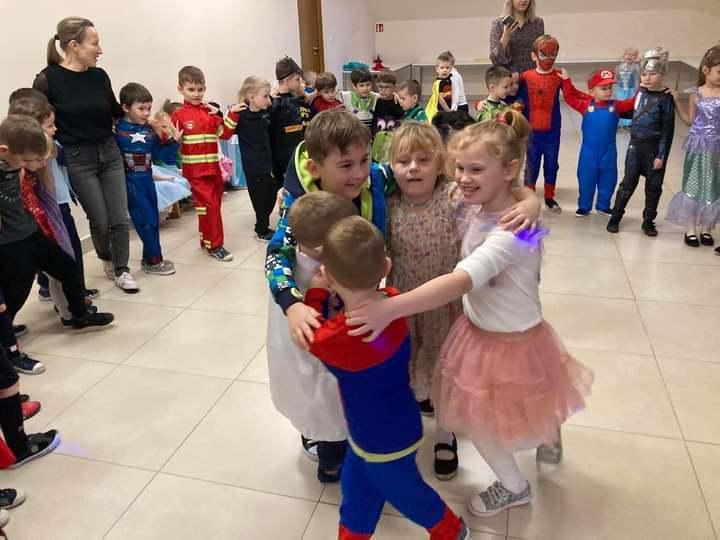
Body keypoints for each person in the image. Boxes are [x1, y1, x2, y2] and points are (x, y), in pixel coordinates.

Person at [347, 111, 593, 518]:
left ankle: (515, 487)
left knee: (485, 422)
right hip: (479, 329)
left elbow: (461, 280)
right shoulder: (475, 206)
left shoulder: (511, 231)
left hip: (512, 339)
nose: (462, 178)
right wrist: (529, 200)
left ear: (509, 169)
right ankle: (545, 431)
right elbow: (519, 209)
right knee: (514, 404)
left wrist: (387, 308)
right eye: (459, 167)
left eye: (475, 169)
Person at [385, 121, 540, 481]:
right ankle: (411, 422)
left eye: (423, 160)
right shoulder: (388, 203)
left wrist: (532, 203)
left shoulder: (454, 197)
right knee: (407, 365)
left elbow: (504, 190)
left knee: (447, 377)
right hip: (405, 305)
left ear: (440, 163)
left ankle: (445, 434)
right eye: (403, 161)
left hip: (447, 307)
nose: (413, 169)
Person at [302, 215, 470, 540]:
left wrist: (315, 295)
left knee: (406, 492)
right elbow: (364, 337)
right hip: (386, 427)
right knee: (357, 488)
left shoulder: (337, 338)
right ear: (386, 266)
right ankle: (353, 533)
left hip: (382, 440)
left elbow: (311, 337)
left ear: (329, 276)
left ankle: (452, 531)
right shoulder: (391, 302)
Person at [265, 110, 390, 479]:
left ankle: (347, 434)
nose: (359, 173)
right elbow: (276, 255)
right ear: (315, 168)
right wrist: (291, 305)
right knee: (316, 380)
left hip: (356, 305)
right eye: (346, 165)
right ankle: (328, 446)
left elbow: (416, 170)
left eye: (364, 160)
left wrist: (523, 200)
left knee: (351, 377)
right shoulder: (299, 208)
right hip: (311, 307)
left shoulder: (372, 182)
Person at [33, 17, 139, 293]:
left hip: (109, 151)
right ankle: (106, 257)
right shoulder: (47, 80)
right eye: (94, 44)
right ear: (74, 46)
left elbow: (115, 112)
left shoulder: (99, 76)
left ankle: (122, 269)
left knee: (119, 217)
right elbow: (36, 120)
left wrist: (147, 123)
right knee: (100, 220)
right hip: (78, 158)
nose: (100, 50)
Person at [267, 191, 358, 483]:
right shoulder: (310, 280)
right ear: (323, 248)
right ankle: (331, 467)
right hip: (323, 370)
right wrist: (319, 294)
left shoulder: (302, 260)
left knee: (328, 411)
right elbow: (319, 337)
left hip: (324, 370)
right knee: (330, 417)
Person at [0, 115, 115, 332]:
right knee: (18, 290)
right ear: (4, 151)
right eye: (26, 160)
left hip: (30, 231)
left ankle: (79, 315)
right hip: (10, 242)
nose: (28, 165)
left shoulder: (16, 161)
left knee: (67, 267)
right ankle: (4, 332)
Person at [7, 91, 98, 303]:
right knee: (63, 256)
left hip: (57, 205)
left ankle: (71, 298)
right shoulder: (26, 162)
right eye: (49, 126)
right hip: (47, 212)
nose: (55, 129)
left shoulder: (50, 147)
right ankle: (73, 299)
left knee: (64, 255)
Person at [171, 65, 241, 262]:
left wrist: (231, 114)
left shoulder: (210, 112)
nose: (196, 94)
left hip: (214, 170)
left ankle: (206, 240)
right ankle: (215, 246)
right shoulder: (178, 115)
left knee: (211, 207)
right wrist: (173, 140)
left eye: (200, 89)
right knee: (210, 208)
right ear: (180, 89)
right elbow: (168, 141)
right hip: (196, 173)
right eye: (191, 89)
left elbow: (225, 134)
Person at [607, 48, 675, 236]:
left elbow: (668, 130)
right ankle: (616, 217)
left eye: (652, 74)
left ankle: (648, 221)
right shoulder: (639, 93)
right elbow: (633, 113)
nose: (647, 78)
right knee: (627, 184)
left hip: (654, 151)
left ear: (662, 74)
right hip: (635, 148)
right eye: (644, 74)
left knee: (653, 187)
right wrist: (610, 110)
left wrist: (661, 156)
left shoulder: (666, 99)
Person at [116, 82, 176, 275]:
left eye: (149, 108)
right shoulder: (117, 130)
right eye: (141, 108)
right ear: (126, 107)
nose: (146, 113)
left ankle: (150, 258)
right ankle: (154, 260)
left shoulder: (149, 130)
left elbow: (161, 157)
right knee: (146, 220)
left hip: (148, 178)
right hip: (131, 181)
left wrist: (170, 140)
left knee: (152, 219)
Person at [559, 68, 637, 217]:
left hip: (609, 152)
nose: (608, 91)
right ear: (592, 91)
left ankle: (603, 205)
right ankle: (584, 206)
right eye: (603, 88)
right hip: (589, 153)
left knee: (609, 179)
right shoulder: (585, 105)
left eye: (610, 88)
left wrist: (643, 87)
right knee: (586, 179)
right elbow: (569, 97)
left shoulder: (616, 106)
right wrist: (566, 80)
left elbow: (632, 102)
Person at [666, 45, 720, 249]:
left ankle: (707, 228)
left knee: (713, 186)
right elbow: (690, 120)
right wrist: (677, 102)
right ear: (706, 70)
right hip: (698, 148)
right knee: (693, 185)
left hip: (717, 148)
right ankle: (690, 228)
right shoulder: (696, 94)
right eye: (719, 72)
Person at [517, 34, 563, 212]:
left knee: (551, 165)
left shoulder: (559, 77)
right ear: (534, 55)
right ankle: (529, 198)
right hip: (532, 133)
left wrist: (594, 102)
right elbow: (510, 94)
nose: (548, 59)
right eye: (543, 54)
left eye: (553, 55)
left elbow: (573, 97)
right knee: (531, 166)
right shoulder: (526, 77)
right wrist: (485, 102)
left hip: (552, 132)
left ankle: (549, 198)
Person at [235, 76, 276, 241]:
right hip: (253, 166)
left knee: (271, 194)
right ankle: (261, 229)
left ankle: (263, 224)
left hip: (267, 163)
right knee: (260, 199)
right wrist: (228, 114)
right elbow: (225, 130)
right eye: (265, 96)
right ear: (252, 97)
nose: (269, 100)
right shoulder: (241, 116)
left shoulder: (264, 112)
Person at [269, 56, 311, 188]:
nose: (300, 83)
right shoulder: (274, 104)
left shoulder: (297, 100)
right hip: (282, 157)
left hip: (297, 152)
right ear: (287, 81)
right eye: (297, 80)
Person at [489, 0, 546, 74]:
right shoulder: (499, 24)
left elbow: (541, 54)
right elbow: (495, 59)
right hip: (509, 77)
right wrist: (506, 36)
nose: (523, 0)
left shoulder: (538, 23)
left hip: (532, 76)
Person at [425, 51, 469, 122]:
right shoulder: (442, 81)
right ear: (437, 69)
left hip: (458, 106)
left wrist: (452, 110)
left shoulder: (452, 76)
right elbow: (441, 98)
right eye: (442, 68)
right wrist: (449, 111)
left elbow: (455, 93)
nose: (444, 70)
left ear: (451, 67)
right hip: (449, 108)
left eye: (447, 67)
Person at [370, 72, 404, 163]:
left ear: (394, 87)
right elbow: (375, 121)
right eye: (380, 87)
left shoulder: (398, 102)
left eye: (387, 87)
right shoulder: (378, 101)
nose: (383, 91)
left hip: (394, 142)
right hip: (379, 142)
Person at [616, 47, 641, 128]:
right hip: (621, 90)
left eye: (634, 55)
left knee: (630, 105)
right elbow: (616, 79)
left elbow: (637, 79)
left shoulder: (636, 67)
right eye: (629, 54)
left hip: (631, 90)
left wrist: (637, 90)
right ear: (624, 56)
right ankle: (620, 122)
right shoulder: (619, 67)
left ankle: (629, 123)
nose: (631, 57)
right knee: (621, 104)